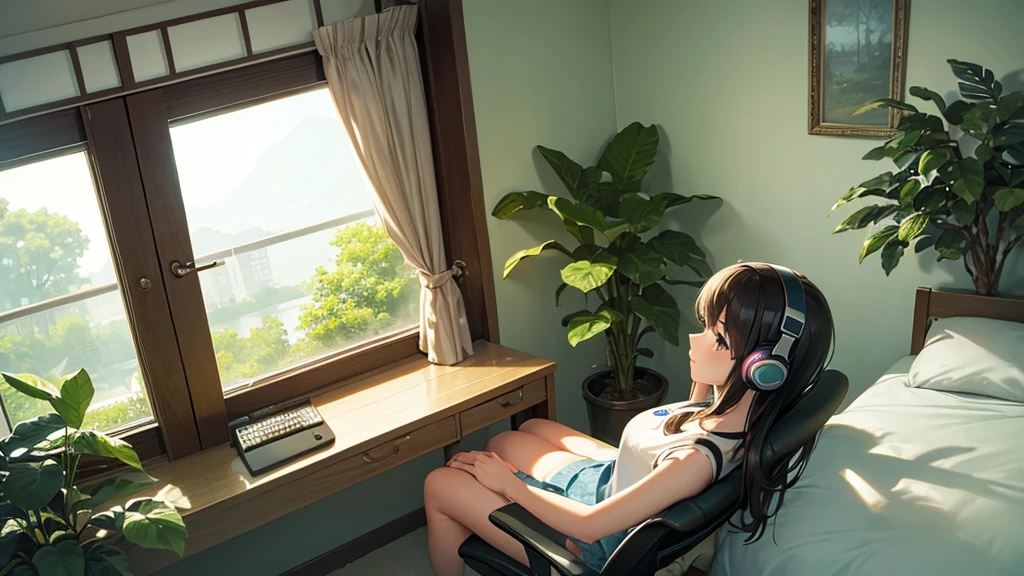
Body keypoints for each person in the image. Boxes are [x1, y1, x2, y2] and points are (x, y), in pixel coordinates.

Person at [424, 263, 835, 575]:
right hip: (610, 479)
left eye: (719, 337)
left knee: (441, 483)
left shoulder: (693, 462)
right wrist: (702, 385)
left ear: (764, 368)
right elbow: (691, 422)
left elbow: (590, 526)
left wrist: (509, 486)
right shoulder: (738, 413)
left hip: (590, 540)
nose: (697, 339)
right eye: (705, 325)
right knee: (516, 436)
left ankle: (461, 517)